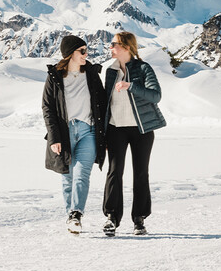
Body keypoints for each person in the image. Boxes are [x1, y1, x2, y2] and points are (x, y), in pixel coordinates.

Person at [102, 31, 166, 236]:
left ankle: (139, 219)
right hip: (115, 129)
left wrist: (131, 86)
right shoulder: (110, 71)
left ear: (127, 47)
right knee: (114, 172)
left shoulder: (143, 68)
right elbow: (105, 104)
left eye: (114, 44)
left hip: (141, 129)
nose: (110, 47)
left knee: (140, 173)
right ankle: (112, 218)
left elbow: (156, 96)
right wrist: (101, 133)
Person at [42, 35, 107, 233]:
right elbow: (47, 108)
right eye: (82, 51)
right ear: (70, 54)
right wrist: (54, 137)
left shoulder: (92, 74)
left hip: (88, 130)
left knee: (82, 174)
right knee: (67, 176)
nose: (87, 54)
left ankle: (76, 213)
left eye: (87, 50)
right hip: (65, 131)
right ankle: (70, 216)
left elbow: (103, 102)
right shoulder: (55, 77)